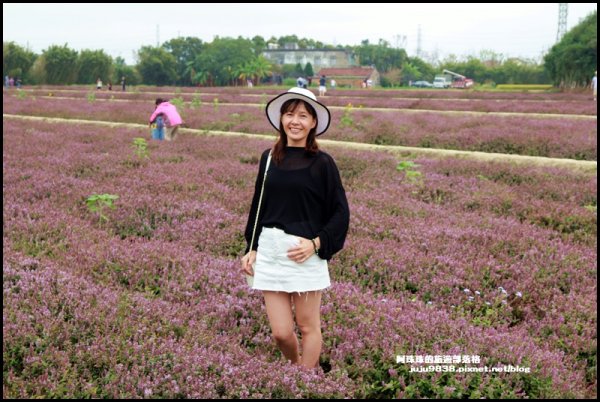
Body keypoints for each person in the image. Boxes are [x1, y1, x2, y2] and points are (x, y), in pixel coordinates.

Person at [241, 87, 350, 370]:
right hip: (271, 251)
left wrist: (316, 244)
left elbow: (340, 212)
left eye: (303, 115)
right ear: (281, 120)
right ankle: (297, 367)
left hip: (304, 253)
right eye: (289, 114)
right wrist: (250, 248)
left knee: (307, 325)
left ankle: (306, 378)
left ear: (313, 122)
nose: (295, 121)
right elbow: (258, 205)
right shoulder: (268, 158)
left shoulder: (322, 163)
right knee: (280, 332)